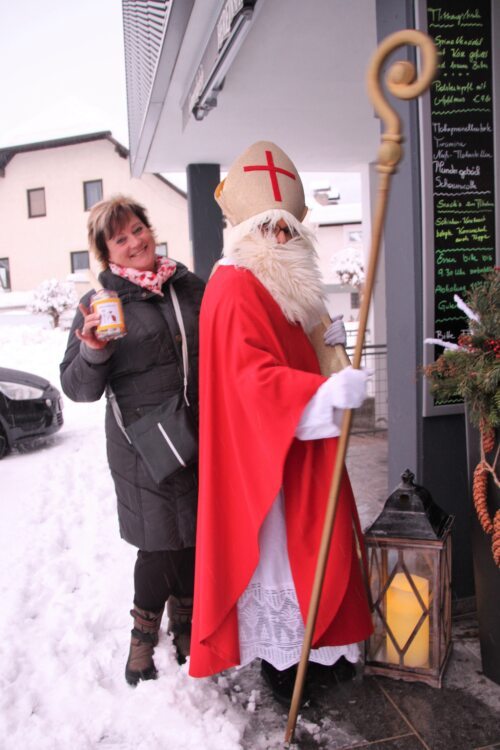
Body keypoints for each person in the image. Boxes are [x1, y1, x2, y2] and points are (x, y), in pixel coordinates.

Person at [189, 142, 373, 705]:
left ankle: (321, 649)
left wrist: (331, 350)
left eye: (290, 228)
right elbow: (249, 380)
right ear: (248, 229)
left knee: (314, 549)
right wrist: (319, 394)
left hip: (300, 452)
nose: (282, 238)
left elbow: (306, 346)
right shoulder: (233, 283)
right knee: (279, 559)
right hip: (265, 463)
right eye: (271, 227)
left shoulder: (284, 282)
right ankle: (284, 661)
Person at [60, 195, 205, 685]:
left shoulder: (188, 287)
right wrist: (94, 350)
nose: (134, 241)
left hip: (198, 434)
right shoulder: (99, 305)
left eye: (137, 229)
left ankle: (184, 621)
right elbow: (78, 388)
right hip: (141, 443)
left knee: (192, 535)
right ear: (108, 255)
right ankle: (143, 636)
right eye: (120, 239)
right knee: (159, 541)